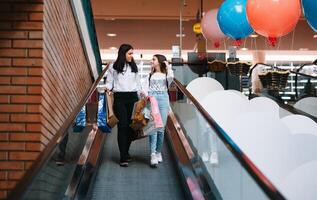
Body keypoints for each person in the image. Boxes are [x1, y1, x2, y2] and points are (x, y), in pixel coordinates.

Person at [105, 44, 143, 167]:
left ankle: (126, 152)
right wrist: (107, 89)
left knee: (131, 127)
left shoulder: (134, 67)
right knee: (122, 126)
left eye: (132, 53)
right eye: (130, 53)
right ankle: (123, 157)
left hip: (133, 98)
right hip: (120, 98)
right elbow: (109, 83)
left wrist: (142, 96)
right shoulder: (113, 67)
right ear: (123, 54)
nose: (132, 56)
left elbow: (138, 85)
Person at [143, 54, 174, 167]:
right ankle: (152, 154)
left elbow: (171, 79)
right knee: (153, 127)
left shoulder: (166, 74)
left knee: (161, 128)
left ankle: (158, 152)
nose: (151, 61)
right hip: (153, 100)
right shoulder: (150, 75)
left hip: (164, 99)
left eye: (154, 59)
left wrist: (168, 66)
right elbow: (145, 88)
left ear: (160, 61)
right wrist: (147, 96)